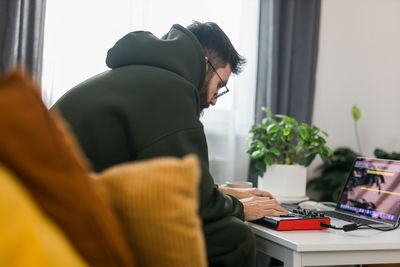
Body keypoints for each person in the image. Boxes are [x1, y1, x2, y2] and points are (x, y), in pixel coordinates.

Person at [51, 21, 287, 267]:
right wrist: (240, 208)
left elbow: (164, 178)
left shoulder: (142, 76)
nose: (215, 100)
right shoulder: (170, 89)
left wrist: (222, 193)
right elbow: (197, 203)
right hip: (73, 215)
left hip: (62, 200)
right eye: (219, 86)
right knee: (233, 237)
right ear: (205, 64)